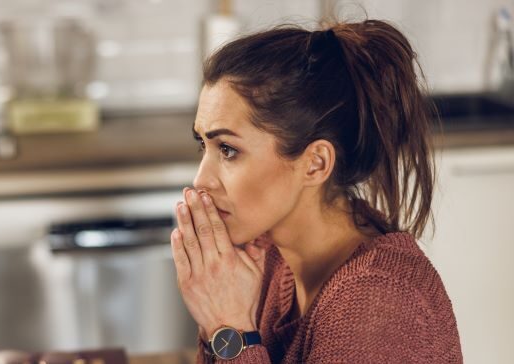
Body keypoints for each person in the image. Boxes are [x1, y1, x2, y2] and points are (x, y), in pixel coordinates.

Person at [169, 20, 462, 363]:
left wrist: (229, 329)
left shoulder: (376, 304)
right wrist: (221, 322)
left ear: (315, 164)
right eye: (202, 145)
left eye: (228, 150)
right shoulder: (272, 260)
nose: (201, 181)